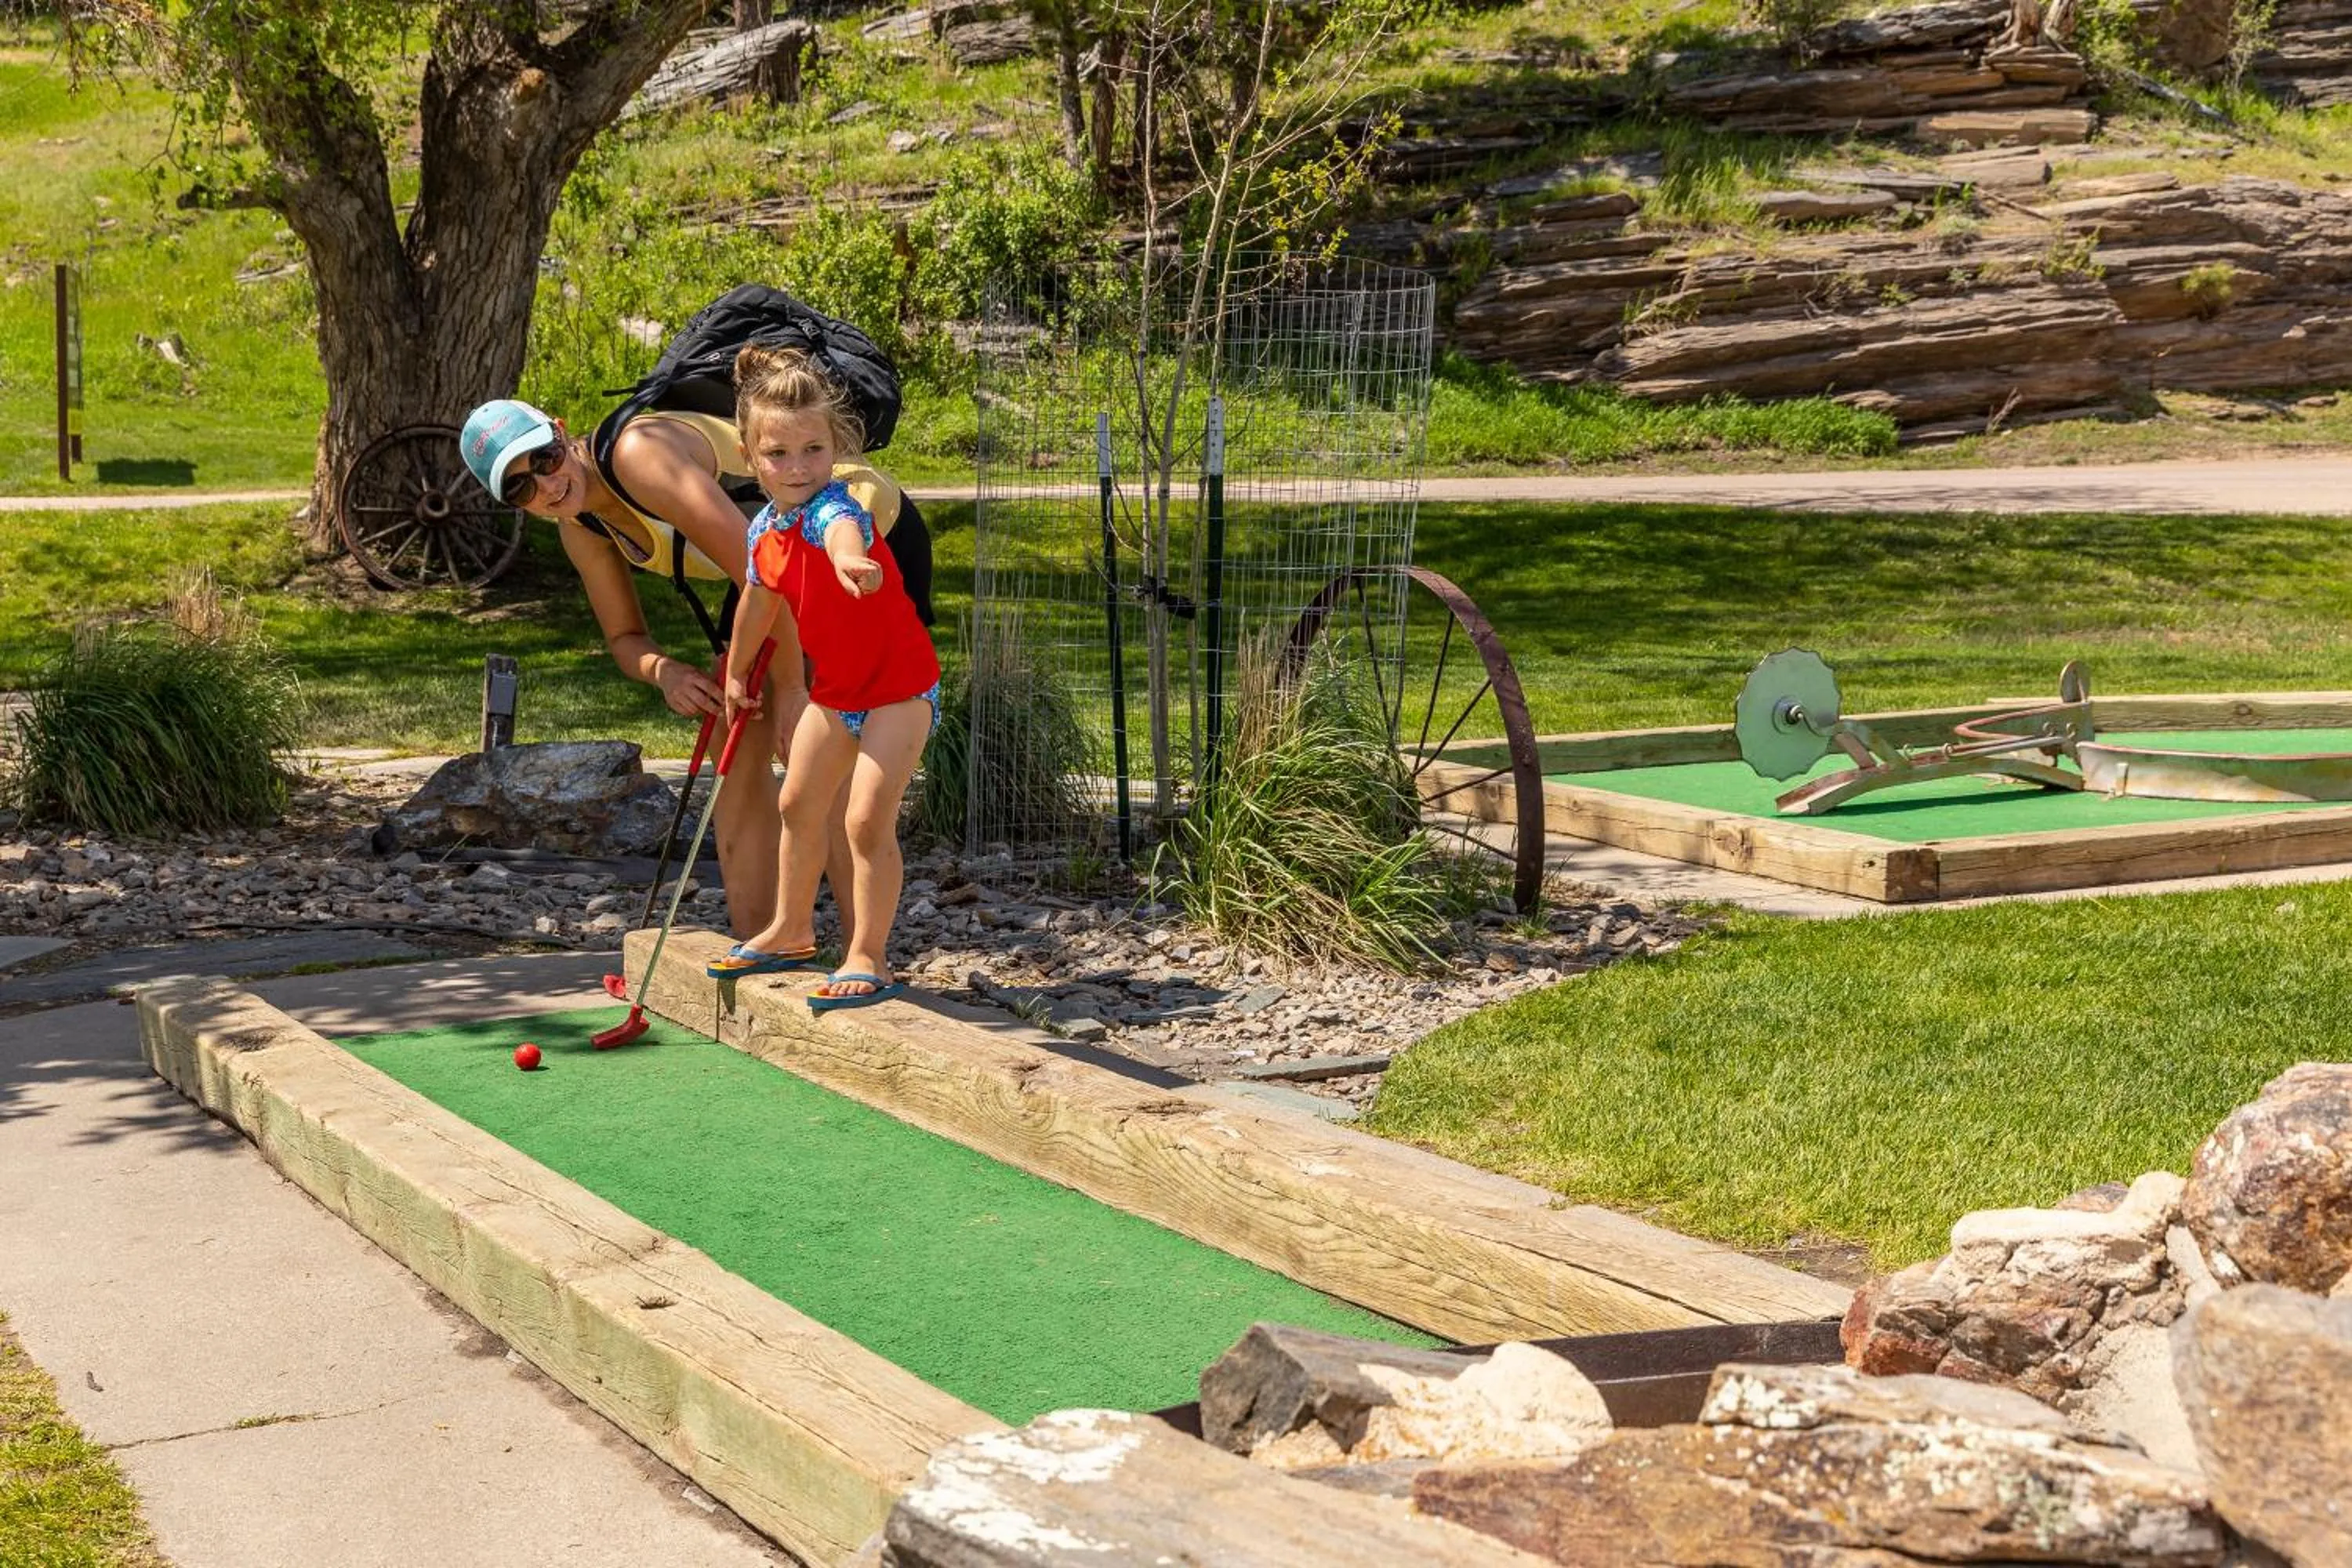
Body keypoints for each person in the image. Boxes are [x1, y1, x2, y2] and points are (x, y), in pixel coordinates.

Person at [457, 392, 933, 940]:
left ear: (563, 432)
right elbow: (625, 637)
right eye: (520, 486)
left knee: (821, 752)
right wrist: (664, 671)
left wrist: (793, 689)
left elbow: (757, 568)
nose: (546, 484)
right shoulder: (580, 527)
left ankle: (865, 957)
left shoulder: (639, 455)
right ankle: (767, 943)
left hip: (857, 537)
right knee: (735, 735)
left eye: (544, 459)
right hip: (775, 566)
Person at [710, 344, 939, 1011]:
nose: (798, 467)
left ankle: (869, 953)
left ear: (834, 448)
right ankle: (791, 928)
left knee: (866, 820)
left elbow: (842, 536)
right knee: (796, 804)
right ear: (751, 459)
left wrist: (851, 564)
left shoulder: (833, 510)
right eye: (778, 455)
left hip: (899, 689)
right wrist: (735, 669)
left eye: (813, 450)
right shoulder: (763, 530)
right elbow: (759, 597)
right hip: (837, 691)